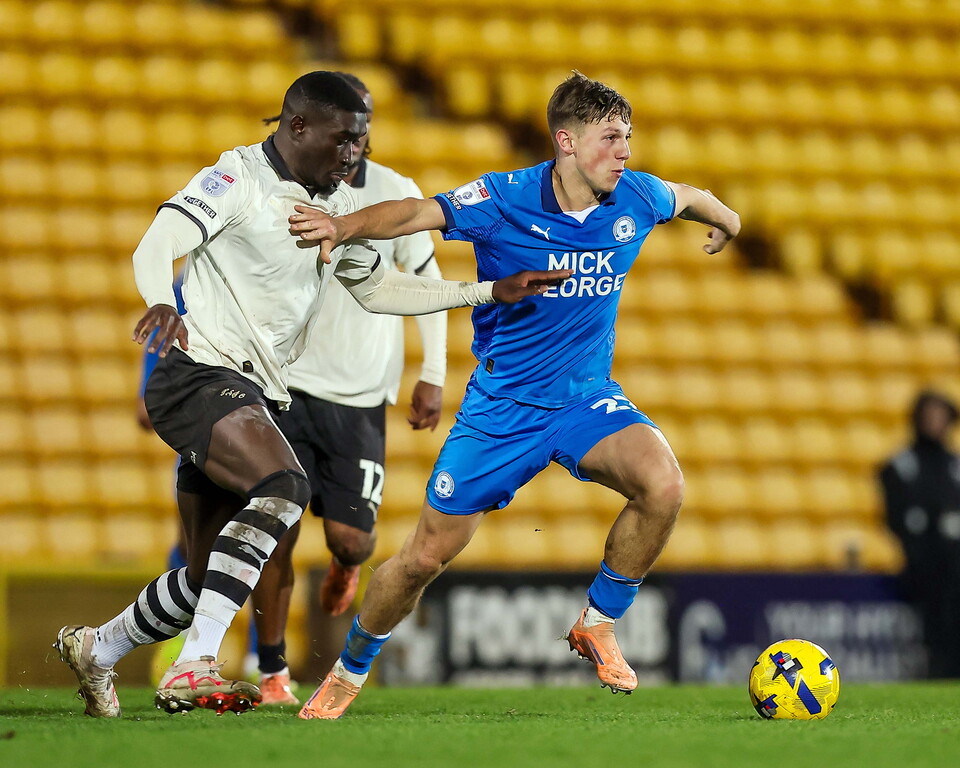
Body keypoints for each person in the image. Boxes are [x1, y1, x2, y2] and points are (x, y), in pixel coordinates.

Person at [54, 70, 569, 718]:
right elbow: (159, 240)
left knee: (204, 574)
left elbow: (384, 291)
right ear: (297, 127)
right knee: (285, 489)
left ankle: (96, 648)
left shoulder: (325, 213)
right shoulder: (237, 178)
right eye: (346, 139)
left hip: (251, 391)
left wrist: (488, 292)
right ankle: (194, 664)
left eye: (363, 141)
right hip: (198, 375)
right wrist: (161, 299)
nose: (356, 155)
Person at [289, 71, 741, 720]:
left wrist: (727, 218)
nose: (626, 151)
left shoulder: (636, 196)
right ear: (566, 141)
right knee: (422, 558)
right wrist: (342, 225)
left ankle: (598, 621)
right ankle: (350, 668)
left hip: (586, 401)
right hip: (501, 411)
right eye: (612, 138)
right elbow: (417, 214)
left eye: (629, 138)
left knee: (663, 485)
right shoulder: (502, 198)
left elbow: (686, 196)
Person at [248, 72, 448, 706]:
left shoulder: (395, 194)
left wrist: (434, 372)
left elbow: (425, 281)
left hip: (360, 396)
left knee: (353, 539)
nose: (353, 142)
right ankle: (274, 669)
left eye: (361, 129)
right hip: (282, 384)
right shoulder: (272, 187)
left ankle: (347, 562)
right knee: (273, 525)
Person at [880, 389, 960, 679]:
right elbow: (895, 518)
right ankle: (936, 670)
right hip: (924, 566)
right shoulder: (902, 465)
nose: (935, 423)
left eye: (941, 416)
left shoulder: (955, 466)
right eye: (929, 416)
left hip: (956, 564)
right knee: (936, 621)